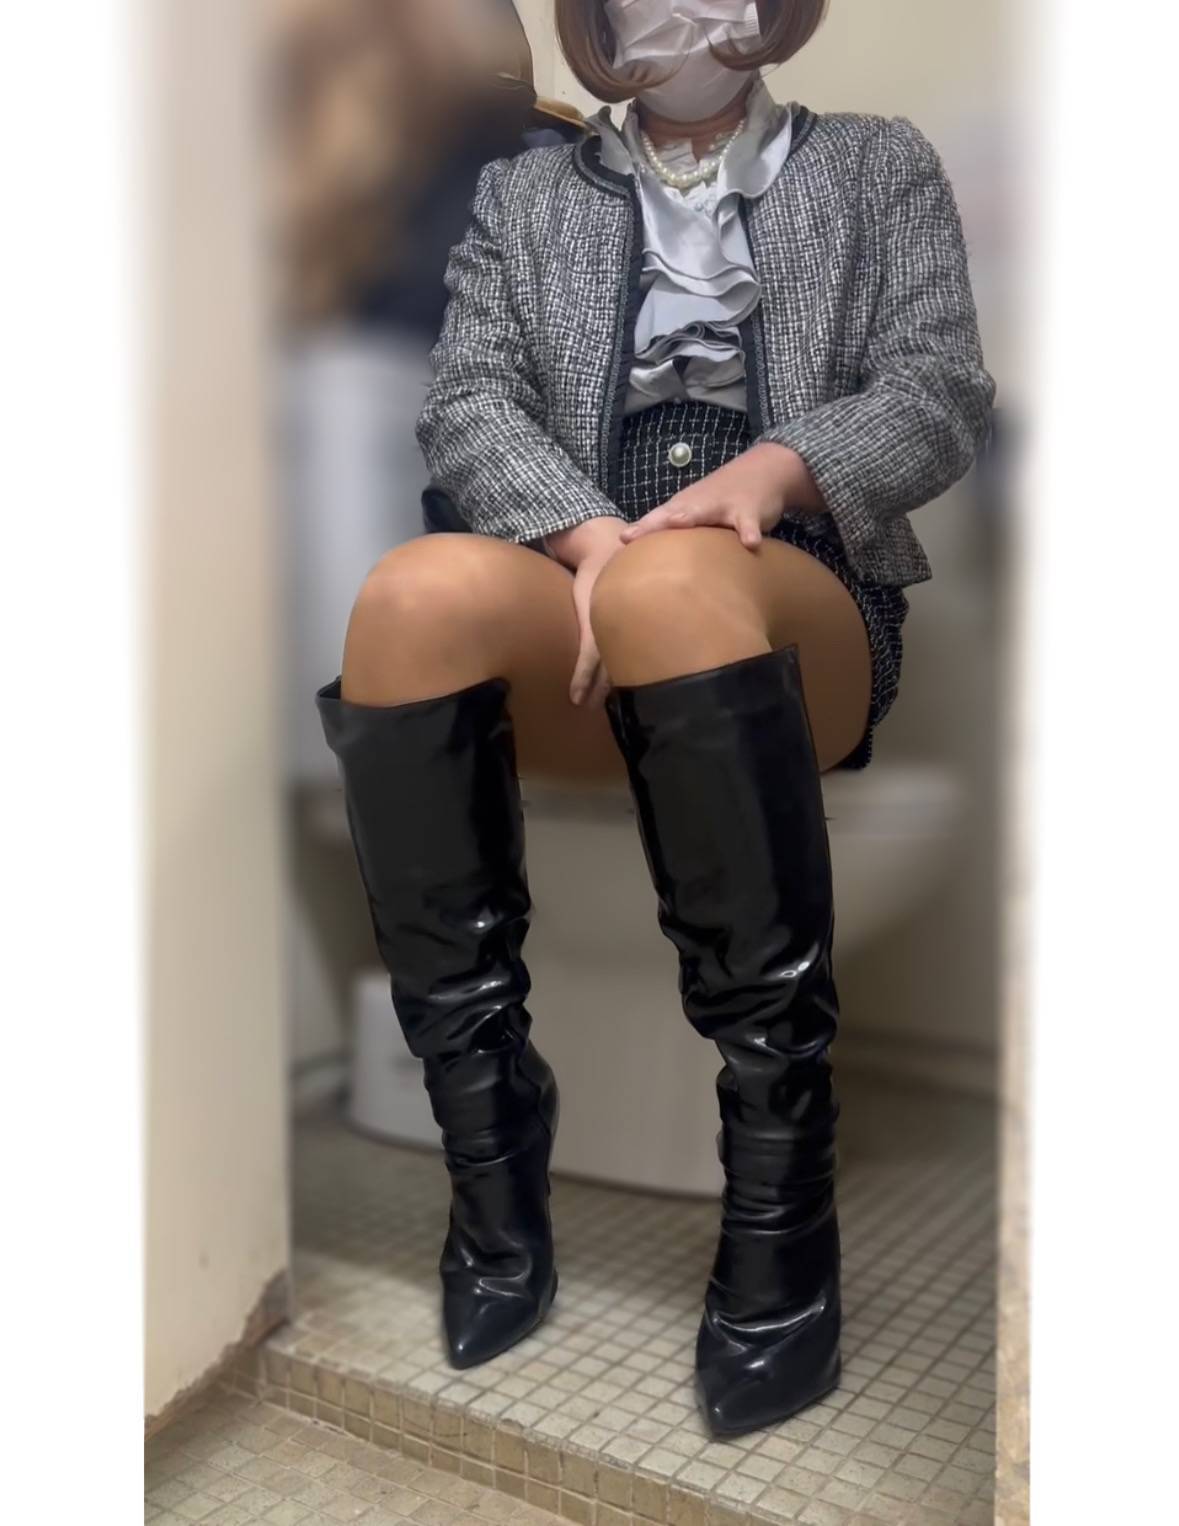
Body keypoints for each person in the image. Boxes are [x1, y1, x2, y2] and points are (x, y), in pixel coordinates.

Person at [315, 0, 995, 1439]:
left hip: (786, 596)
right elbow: (467, 400)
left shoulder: (876, 164)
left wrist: (778, 469)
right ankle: (493, 1163)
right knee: (407, 596)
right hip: (581, 579)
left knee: (679, 584)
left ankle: (781, 1214)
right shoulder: (525, 194)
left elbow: (938, 390)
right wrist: (579, 533)